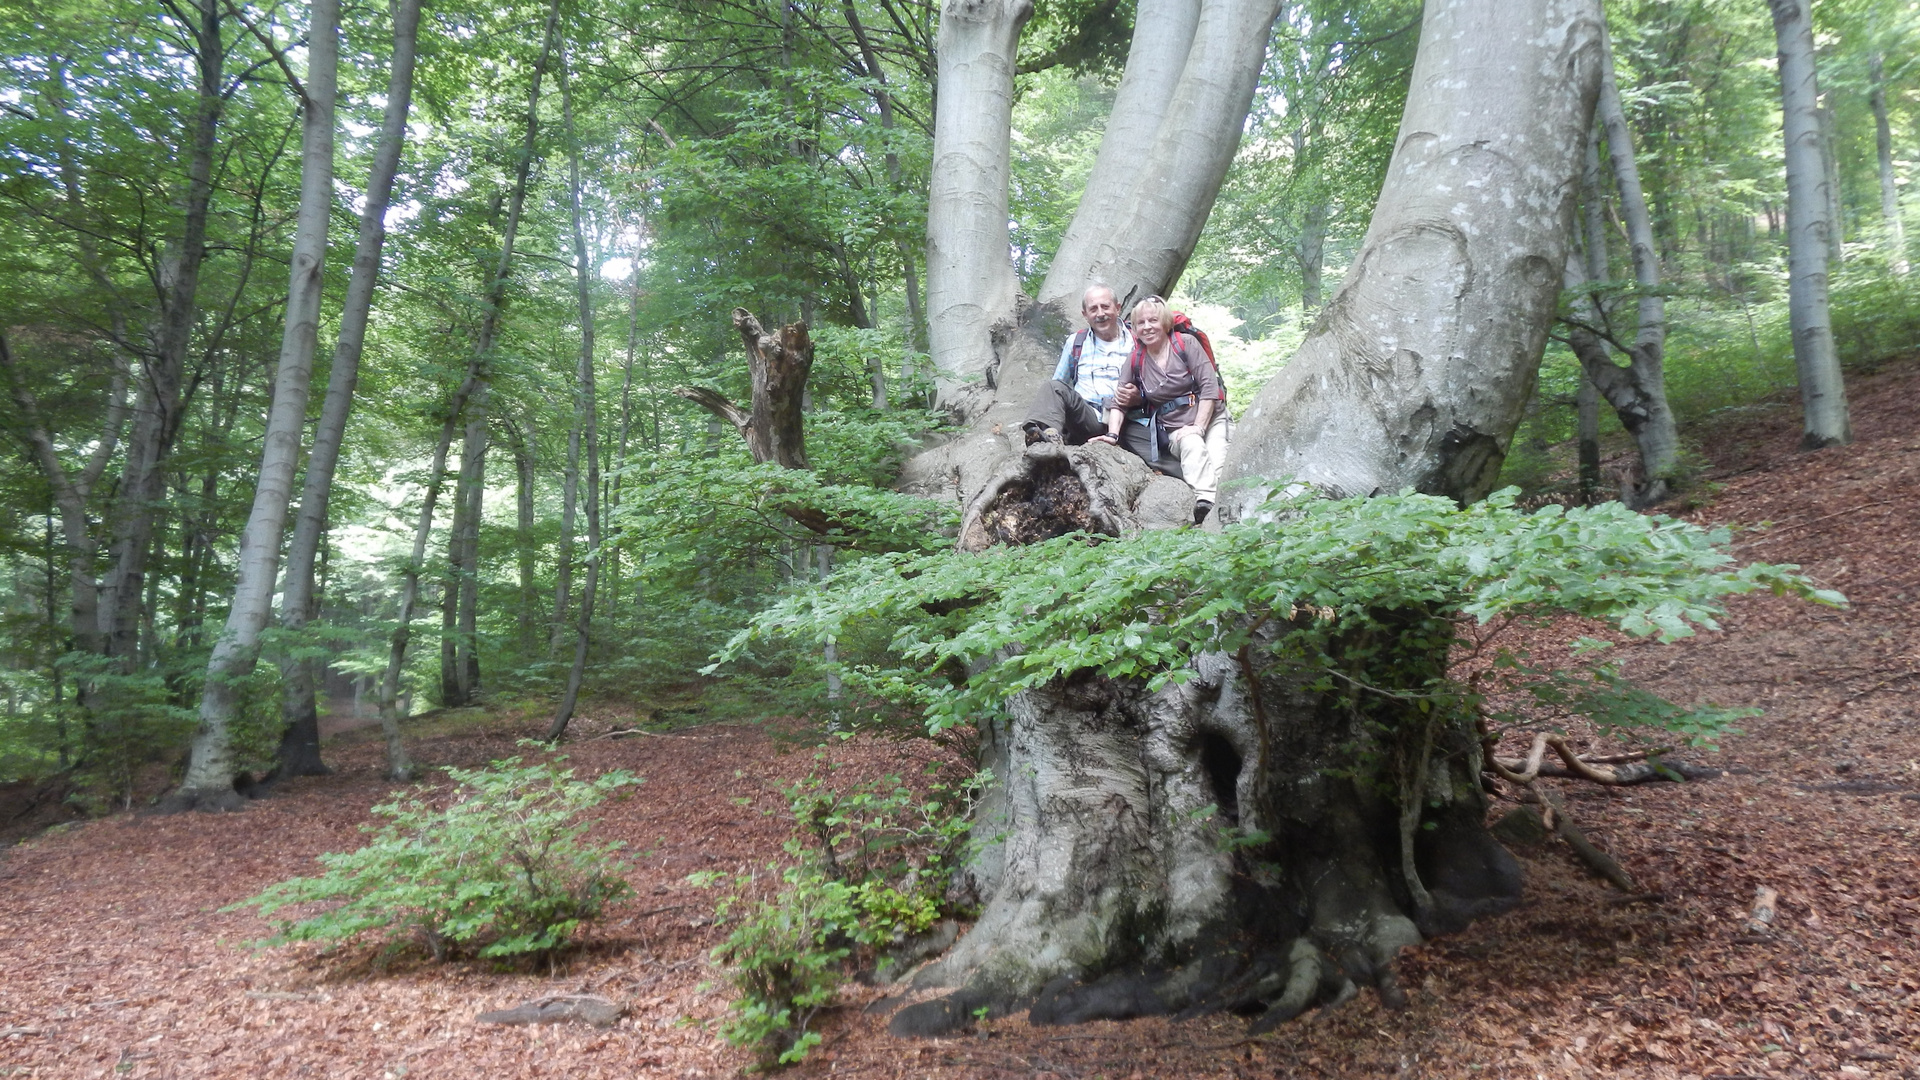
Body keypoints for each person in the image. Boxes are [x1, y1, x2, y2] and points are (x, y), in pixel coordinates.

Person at [1101, 295, 1228, 523]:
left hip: (1213, 418)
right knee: (1191, 445)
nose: (1148, 327)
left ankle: (1229, 518)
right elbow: (1118, 401)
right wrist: (1112, 435)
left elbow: (1209, 387)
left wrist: (1198, 426)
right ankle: (1207, 508)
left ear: (1165, 322)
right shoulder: (1135, 359)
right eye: (1141, 323)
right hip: (1177, 428)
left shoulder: (1185, 344)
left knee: (1221, 468)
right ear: (1135, 328)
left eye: (1153, 320)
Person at [1021, 286, 1167, 472]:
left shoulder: (1139, 339)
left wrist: (1140, 398)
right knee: (1053, 387)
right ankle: (1046, 438)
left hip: (1130, 420)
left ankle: (1202, 489)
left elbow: (1164, 388)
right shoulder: (1076, 342)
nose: (1100, 314)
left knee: (1165, 462)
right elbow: (1060, 384)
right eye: (1093, 309)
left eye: (1105, 307)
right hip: (1087, 418)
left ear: (1118, 308)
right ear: (1085, 314)